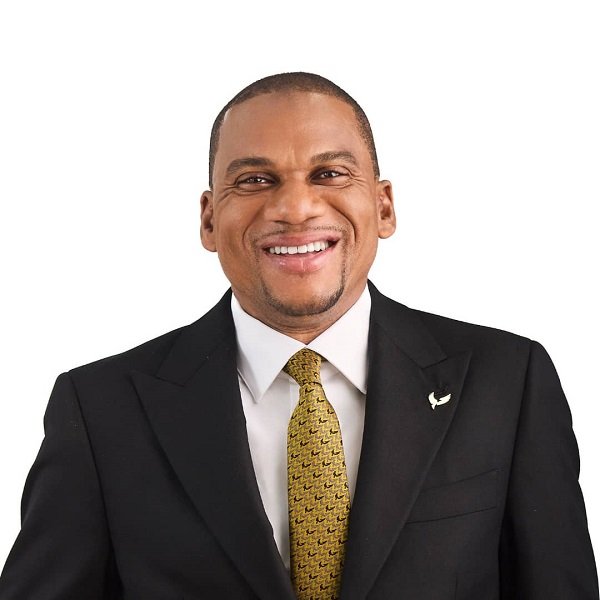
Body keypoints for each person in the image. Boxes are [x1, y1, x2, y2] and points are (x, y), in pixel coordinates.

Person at [0, 72, 597, 600]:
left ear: (384, 206)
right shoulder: (101, 409)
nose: (294, 207)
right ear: (208, 219)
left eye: (328, 173)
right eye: (255, 180)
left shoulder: (506, 382)